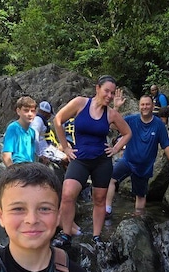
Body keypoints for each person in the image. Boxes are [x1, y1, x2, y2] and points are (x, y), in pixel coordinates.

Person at [51, 75, 132, 251]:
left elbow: (127, 133)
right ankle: (66, 234)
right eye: (107, 91)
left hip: (102, 161)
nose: (109, 96)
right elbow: (58, 120)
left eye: (112, 93)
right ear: (97, 89)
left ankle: (96, 236)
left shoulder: (111, 114)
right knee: (67, 195)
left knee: (100, 199)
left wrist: (116, 148)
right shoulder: (80, 103)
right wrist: (65, 147)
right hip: (79, 159)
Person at [106, 93, 169, 216]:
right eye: (142, 104)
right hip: (127, 160)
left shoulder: (159, 125)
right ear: (139, 106)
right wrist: (116, 108)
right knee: (110, 179)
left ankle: (138, 218)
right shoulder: (131, 120)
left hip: (144, 167)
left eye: (147, 104)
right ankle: (107, 209)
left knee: (140, 195)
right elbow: (111, 124)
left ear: (153, 106)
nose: (145, 107)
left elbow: (166, 146)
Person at [2, 96, 38, 167]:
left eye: (32, 111)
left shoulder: (32, 132)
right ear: (18, 111)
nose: (30, 114)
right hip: (18, 166)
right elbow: (6, 155)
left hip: (30, 167)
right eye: (26, 110)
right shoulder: (13, 128)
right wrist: (13, 173)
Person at [32, 100, 68, 166]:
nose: (49, 117)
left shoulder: (38, 120)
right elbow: (34, 137)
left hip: (46, 147)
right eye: (49, 114)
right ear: (46, 113)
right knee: (66, 159)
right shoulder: (38, 121)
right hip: (43, 150)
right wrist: (40, 155)